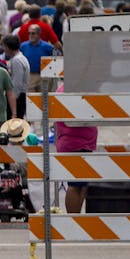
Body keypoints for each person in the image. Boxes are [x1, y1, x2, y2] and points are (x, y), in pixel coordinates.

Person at [54, 85, 98, 213]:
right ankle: (73, 219)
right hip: (76, 143)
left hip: (78, 142)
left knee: (81, 185)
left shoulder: (62, 89)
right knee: (75, 185)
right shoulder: (74, 89)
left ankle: (76, 219)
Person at [1, 33, 31, 119]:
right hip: (20, 96)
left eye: (4, 46)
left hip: (18, 98)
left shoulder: (16, 61)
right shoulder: (21, 58)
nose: (4, 49)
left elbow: (17, 84)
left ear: (8, 46)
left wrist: (12, 101)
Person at [19, 24, 55, 92]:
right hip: (30, 76)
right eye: (29, 33)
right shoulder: (23, 46)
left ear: (39, 34)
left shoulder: (47, 46)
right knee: (30, 99)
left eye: (33, 33)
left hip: (44, 77)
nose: (31, 35)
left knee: (45, 100)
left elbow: (56, 58)